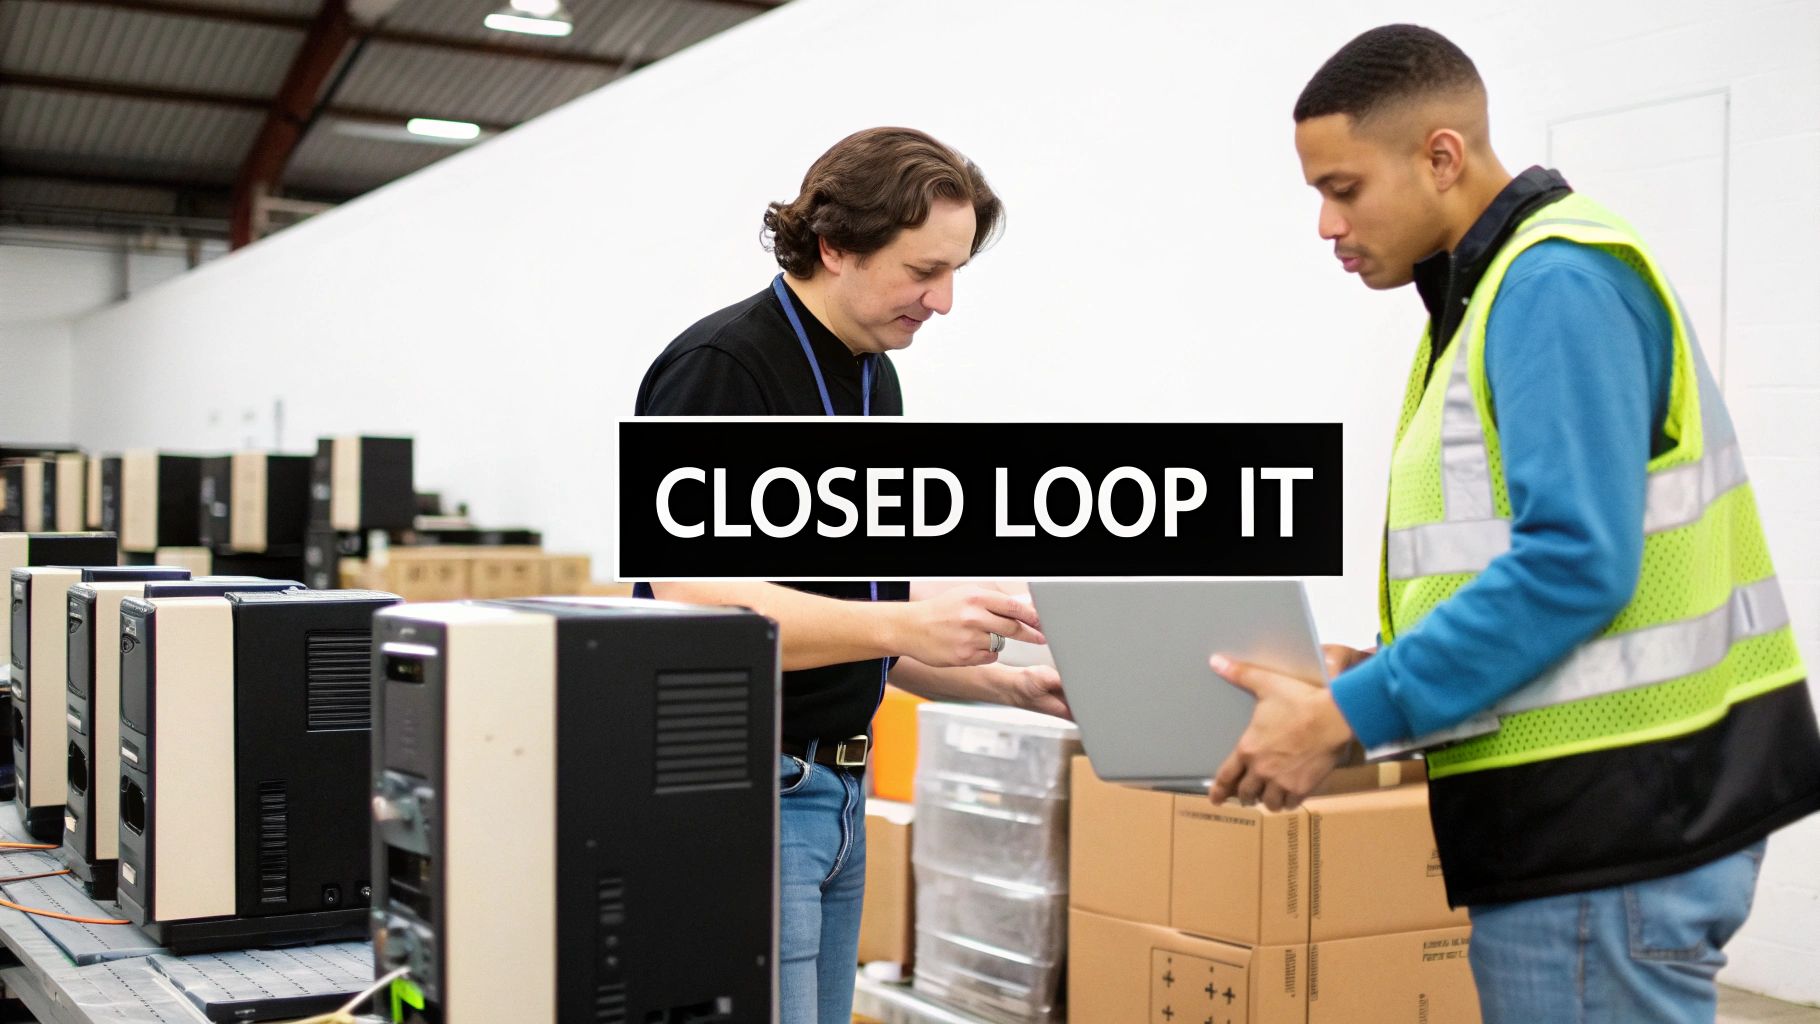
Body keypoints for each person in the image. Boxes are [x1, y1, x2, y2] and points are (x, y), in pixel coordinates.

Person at [1205, 25, 1820, 1023]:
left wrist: (1344, 715)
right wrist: (1371, 666)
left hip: (1606, 833)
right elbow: (1503, 562)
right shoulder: (1493, 294)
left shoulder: (1551, 285)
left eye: (1343, 187)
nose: (1324, 222)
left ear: (1439, 156)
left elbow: (1574, 565)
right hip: (1598, 826)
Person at [632, 126, 1068, 1024]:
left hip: (834, 796)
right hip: (745, 794)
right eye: (923, 271)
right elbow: (691, 598)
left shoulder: (874, 382)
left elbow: (850, 622)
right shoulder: (722, 371)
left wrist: (1008, 687)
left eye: (954, 273)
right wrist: (903, 626)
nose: (943, 301)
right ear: (834, 245)